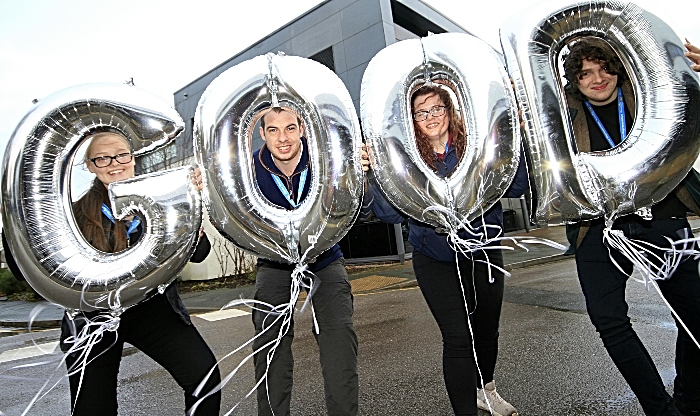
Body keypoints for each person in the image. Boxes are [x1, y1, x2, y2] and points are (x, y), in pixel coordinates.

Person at [4, 131, 222, 415]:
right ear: (91, 166)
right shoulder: (74, 214)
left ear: (133, 158)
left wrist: (190, 206)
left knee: (205, 380)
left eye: (121, 155)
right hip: (91, 318)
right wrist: (15, 221)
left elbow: (200, 253)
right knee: (92, 408)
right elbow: (24, 272)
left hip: (150, 308)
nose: (114, 163)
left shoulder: (161, 203)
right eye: (103, 158)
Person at [563, 38, 700, 415]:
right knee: (609, 321)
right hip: (598, 227)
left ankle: (689, 397)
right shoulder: (560, 116)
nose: (597, 78)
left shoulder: (652, 98)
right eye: (585, 72)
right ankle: (660, 408)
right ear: (575, 80)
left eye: (604, 67)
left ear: (618, 67)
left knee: (694, 316)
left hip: (662, 216)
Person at [371, 83, 527, 416]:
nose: (430, 117)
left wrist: (515, 143)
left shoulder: (476, 144)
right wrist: (377, 173)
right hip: (434, 257)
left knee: (486, 329)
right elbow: (388, 213)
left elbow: (518, 185)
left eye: (437, 108)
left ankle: (486, 390)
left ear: (450, 110)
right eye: (421, 112)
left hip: (484, 249)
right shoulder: (404, 156)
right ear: (412, 119)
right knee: (457, 337)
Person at [251, 107, 370, 416]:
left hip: (324, 257)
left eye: (290, 128)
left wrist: (362, 177)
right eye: (273, 130)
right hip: (274, 263)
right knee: (270, 349)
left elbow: (360, 210)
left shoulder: (326, 160)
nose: (283, 138)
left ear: (302, 128)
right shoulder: (248, 170)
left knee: (339, 343)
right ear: (262, 134)